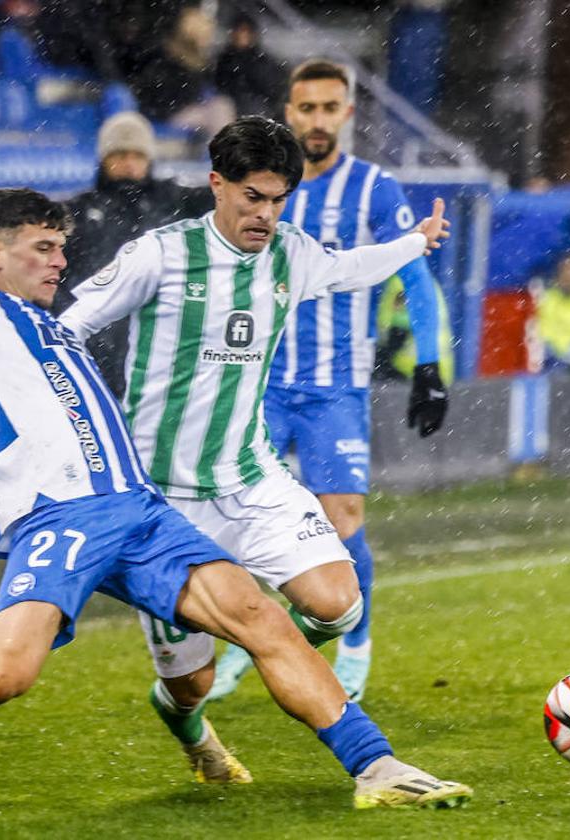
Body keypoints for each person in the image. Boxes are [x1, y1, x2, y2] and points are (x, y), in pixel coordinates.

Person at [0, 84, 471, 814]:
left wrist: (408, 246)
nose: (60, 263)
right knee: (3, 676)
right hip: (60, 519)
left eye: (61, 248)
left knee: (262, 620)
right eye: (44, 249)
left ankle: (376, 767)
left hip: (141, 509)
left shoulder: (51, 324)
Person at [59, 112, 451, 783]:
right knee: (192, 685)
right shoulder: (160, 254)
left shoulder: (291, 253)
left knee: (339, 600)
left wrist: (413, 244)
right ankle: (189, 722)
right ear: (217, 184)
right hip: (162, 504)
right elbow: (67, 329)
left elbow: (350, 267)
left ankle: (285, 663)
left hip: (249, 478)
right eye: (252, 197)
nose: (265, 214)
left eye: (278, 200)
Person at [200, 59, 451, 704]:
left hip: (333, 386)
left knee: (341, 519)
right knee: (230, 518)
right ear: (289, 111)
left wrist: (428, 365)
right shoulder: (266, 186)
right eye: (305, 108)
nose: (316, 120)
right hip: (254, 383)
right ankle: (243, 639)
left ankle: (356, 639)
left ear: (347, 113)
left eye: (328, 108)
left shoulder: (374, 188)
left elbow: (414, 276)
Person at [55, 110, 214, 396]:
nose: (128, 164)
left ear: (150, 158)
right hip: (98, 348)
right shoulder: (75, 214)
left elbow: (228, 195)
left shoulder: (177, 201)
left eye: (137, 155)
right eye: (119, 154)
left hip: (165, 349)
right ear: (103, 159)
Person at [213, 14, 283, 119]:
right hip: (228, 107)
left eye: (246, 31)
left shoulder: (262, 60)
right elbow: (218, 85)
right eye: (238, 31)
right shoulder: (224, 59)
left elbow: (271, 89)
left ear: (253, 34)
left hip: (257, 108)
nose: (241, 35)